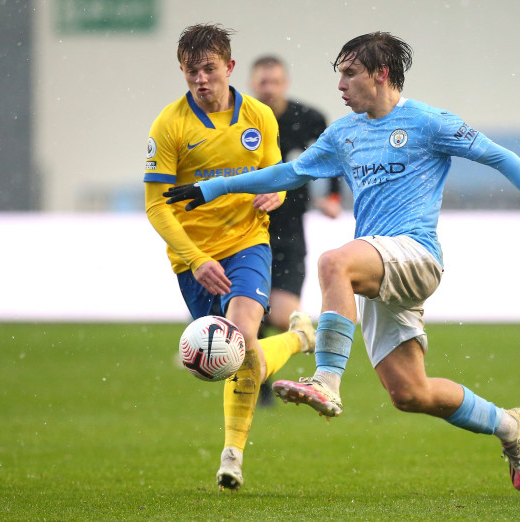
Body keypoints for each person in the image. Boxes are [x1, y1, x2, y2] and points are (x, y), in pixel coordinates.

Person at [164, 31, 520, 492]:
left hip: (415, 254)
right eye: (338, 75)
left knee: (332, 263)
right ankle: (509, 425)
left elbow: (500, 157)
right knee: (410, 393)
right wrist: (213, 188)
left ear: (381, 74)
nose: (340, 85)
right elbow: (288, 172)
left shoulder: (428, 122)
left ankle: (326, 380)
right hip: (378, 268)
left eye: (350, 74)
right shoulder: (344, 133)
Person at [143, 23, 316, 492]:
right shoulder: (170, 126)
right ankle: (300, 338)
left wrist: (276, 194)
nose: (201, 79)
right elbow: (156, 205)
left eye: (209, 69)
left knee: (240, 338)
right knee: (227, 361)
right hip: (193, 260)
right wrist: (196, 259)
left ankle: (232, 455)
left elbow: (275, 175)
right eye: (191, 71)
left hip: (246, 244)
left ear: (229, 67)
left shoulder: (258, 116)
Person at [248, 55, 340, 406]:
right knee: (251, 311)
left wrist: (332, 196)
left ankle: (264, 357)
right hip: (249, 228)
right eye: (262, 82)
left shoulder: (308, 118)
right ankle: (258, 382)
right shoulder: (242, 120)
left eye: (274, 82)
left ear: (284, 82)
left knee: (282, 315)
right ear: (253, 84)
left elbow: (331, 156)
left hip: (290, 230)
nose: (268, 88)